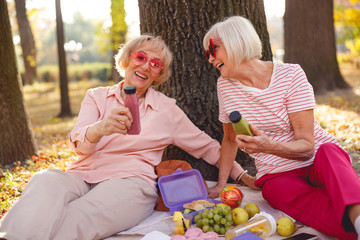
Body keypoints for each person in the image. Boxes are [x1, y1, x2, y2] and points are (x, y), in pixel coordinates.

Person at [0, 34, 248, 240]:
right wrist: (101, 128)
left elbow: (207, 147)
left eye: (155, 64)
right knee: (45, 180)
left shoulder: (166, 110)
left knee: (77, 216)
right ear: (127, 59)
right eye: (140, 57)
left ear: (158, 75)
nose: (145, 66)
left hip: (130, 182)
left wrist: (242, 175)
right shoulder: (96, 97)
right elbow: (80, 147)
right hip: (81, 175)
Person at [203, 16, 360, 240]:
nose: (210, 59)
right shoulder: (224, 86)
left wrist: (268, 146)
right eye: (207, 54)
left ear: (236, 41)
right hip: (278, 174)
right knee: (273, 191)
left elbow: (307, 146)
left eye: (213, 49)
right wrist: (220, 185)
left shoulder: (291, 75)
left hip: (317, 160)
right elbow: (229, 139)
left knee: (329, 153)